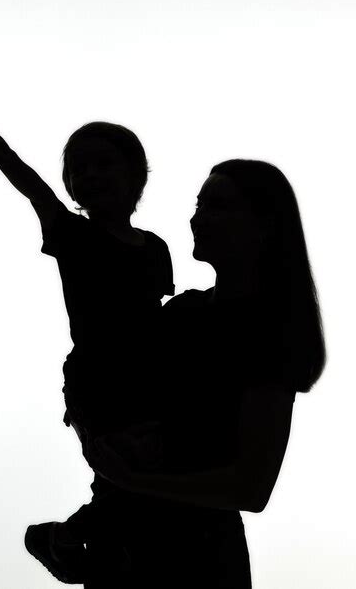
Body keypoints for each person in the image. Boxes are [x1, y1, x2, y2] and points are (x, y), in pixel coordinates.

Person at [81, 159, 327, 588]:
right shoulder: (182, 313)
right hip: (128, 546)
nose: (198, 217)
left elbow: (250, 488)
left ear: (264, 226)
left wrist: (133, 480)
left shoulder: (268, 334)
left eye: (218, 206)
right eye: (199, 204)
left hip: (199, 559)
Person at [0, 109, 175, 584]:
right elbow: (37, 193)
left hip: (150, 378)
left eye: (105, 164)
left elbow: (157, 316)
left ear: (136, 175)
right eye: (79, 168)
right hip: (97, 380)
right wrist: (4, 157)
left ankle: (70, 540)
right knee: (124, 468)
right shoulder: (72, 234)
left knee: (145, 473)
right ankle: (74, 542)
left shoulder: (155, 247)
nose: (91, 175)